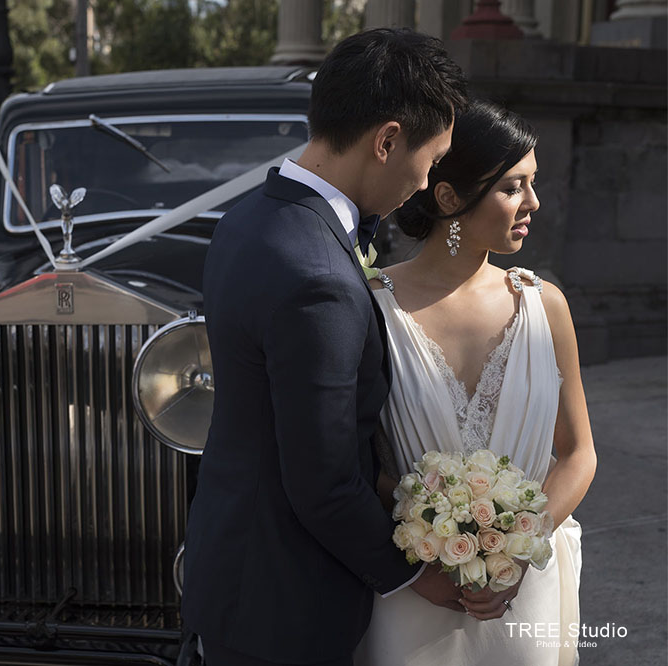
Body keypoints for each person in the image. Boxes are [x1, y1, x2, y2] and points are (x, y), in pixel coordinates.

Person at [182, 29, 468, 666]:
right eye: (431, 160)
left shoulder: (246, 219)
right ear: (387, 141)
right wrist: (414, 576)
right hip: (285, 606)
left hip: (230, 570)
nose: (427, 183)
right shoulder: (321, 277)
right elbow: (325, 483)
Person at [354, 100, 596, 666]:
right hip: (414, 586)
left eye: (532, 183)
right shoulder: (371, 306)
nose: (533, 202)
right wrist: (430, 538)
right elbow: (354, 458)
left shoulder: (546, 305)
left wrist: (519, 546)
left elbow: (578, 453)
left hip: (524, 592)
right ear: (448, 197)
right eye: (513, 187)